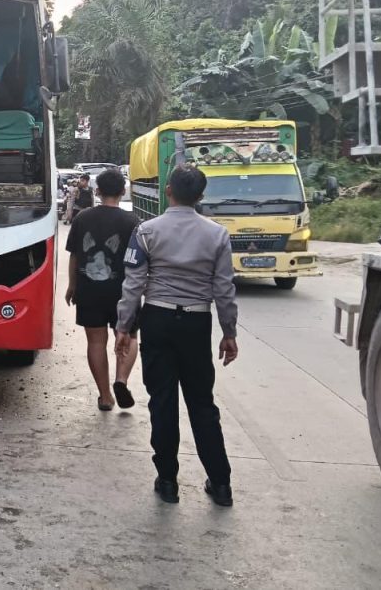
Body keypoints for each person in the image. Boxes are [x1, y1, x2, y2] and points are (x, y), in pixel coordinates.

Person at [115, 164, 239, 507]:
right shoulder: (217, 235)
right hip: (197, 322)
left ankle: (168, 481)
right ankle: (221, 484)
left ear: (168, 190)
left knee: (163, 402)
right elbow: (224, 289)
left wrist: (124, 326)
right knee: (202, 403)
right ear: (201, 196)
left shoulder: (146, 231)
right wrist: (229, 332)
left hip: (157, 319)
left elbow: (133, 284)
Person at [65, 169, 140, 411]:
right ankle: (121, 380)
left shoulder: (82, 218)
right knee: (129, 336)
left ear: (97, 191)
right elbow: (138, 262)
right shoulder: (132, 222)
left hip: (89, 290)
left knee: (96, 342)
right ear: (123, 191)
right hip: (123, 293)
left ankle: (105, 396)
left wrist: (72, 285)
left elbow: (74, 256)